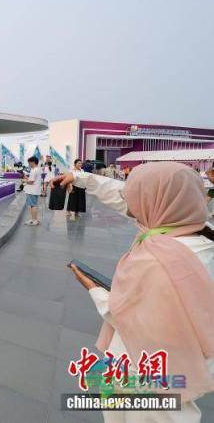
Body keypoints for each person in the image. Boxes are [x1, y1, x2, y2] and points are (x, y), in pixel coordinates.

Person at [52, 162, 214, 422]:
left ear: (157, 203)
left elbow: (132, 319)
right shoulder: (192, 232)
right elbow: (122, 196)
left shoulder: (160, 259)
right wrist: (80, 178)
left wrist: (94, 289)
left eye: (138, 195)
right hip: (178, 367)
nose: (129, 202)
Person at [23, 156, 42, 226]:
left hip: (32, 190)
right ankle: (34, 219)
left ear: (33, 162)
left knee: (33, 205)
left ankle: (34, 220)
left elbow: (31, 182)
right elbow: (31, 179)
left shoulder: (34, 170)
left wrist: (24, 180)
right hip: (35, 190)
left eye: (29, 163)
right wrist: (26, 177)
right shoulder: (36, 169)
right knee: (33, 205)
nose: (29, 164)